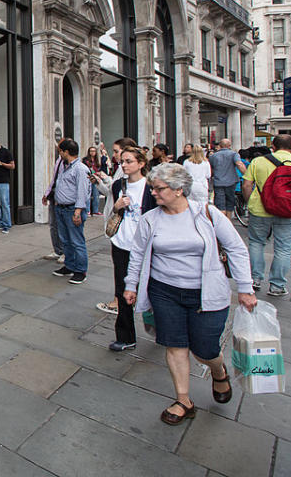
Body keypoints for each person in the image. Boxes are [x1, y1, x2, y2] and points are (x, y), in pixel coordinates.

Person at [124, 163, 256, 425]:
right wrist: (131, 284)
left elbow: (237, 250)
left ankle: (218, 372)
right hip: (164, 291)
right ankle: (183, 399)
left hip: (206, 293)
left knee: (204, 350)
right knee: (175, 345)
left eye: (159, 188)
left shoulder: (208, 213)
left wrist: (245, 287)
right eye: (152, 188)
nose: (153, 193)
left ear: (179, 189)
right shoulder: (151, 218)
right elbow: (137, 253)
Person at [243, 134, 291, 295]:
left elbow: (247, 185)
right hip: (289, 212)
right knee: (283, 249)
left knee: (256, 243)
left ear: (273, 146)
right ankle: (277, 286)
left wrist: (251, 203)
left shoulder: (258, 161)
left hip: (260, 211)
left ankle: (255, 279)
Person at [105, 147, 156, 351]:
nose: (124, 165)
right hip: (122, 243)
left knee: (153, 288)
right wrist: (117, 206)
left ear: (141, 164)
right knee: (122, 289)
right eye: (122, 161)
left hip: (146, 247)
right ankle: (125, 337)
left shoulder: (151, 186)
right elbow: (111, 212)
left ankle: (162, 327)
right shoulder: (119, 184)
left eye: (129, 161)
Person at [92, 137, 138, 314]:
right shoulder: (120, 176)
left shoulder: (142, 184)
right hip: (118, 230)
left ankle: (120, 302)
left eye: (117, 152)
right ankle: (120, 301)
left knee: (125, 271)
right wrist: (100, 182)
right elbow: (110, 193)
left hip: (129, 234)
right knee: (121, 270)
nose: (116, 156)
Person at [51, 138, 90, 283]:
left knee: (76, 241)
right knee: (65, 240)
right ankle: (70, 265)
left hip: (72, 209)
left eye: (60, 151)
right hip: (61, 208)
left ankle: (80, 271)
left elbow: (82, 192)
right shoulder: (64, 166)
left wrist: (78, 211)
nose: (59, 153)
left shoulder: (80, 169)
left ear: (66, 152)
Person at [207, 138, 247, 218]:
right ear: (229, 145)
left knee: (220, 203)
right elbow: (239, 164)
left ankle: (222, 222)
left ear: (220, 146)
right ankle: (228, 221)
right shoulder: (234, 154)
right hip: (231, 181)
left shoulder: (213, 156)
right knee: (230, 202)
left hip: (218, 182)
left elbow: (210, 171)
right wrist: (247, 175)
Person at [41, 141, 66, 264]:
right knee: (53, 224)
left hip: (62, 199)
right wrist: (47, 193)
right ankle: (57, 250)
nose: (58, 151)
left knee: (63, 226)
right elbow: (54, 179)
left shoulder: (71, 165)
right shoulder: (58, 161)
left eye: (60, 149)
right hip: (54, 195)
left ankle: (66, 252)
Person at [82, 146, 106, 215]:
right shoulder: (85, 160)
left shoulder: (97, 160)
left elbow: (101, 166)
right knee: (88, 194)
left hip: (96, 177)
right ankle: (87, 210)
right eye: (91, 151)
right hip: (88, 178)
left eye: (94, 151)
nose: (93, 153)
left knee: (96, 194)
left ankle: (95, 210)